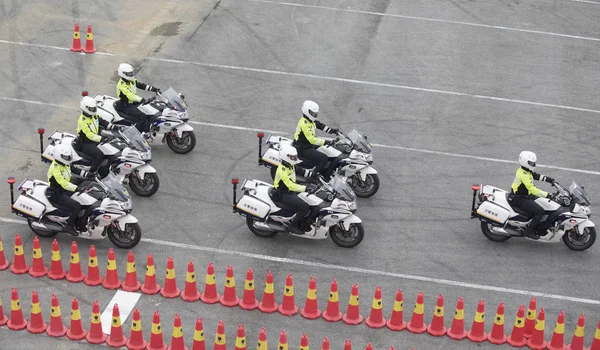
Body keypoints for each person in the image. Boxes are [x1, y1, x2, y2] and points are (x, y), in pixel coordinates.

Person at [273, 144, 318, 235]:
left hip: (290, 191)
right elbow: (290, 185)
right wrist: (306, 189)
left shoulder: (289, 165)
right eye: (293, 157)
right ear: (286, 157)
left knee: (311, 200)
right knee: (304, 206)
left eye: (295, 157)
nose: (295, 158)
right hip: (283, 194)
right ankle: (293, 225)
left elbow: (299, 170)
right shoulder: (282, 170)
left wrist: (313, 174)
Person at [510, 151, 555, 240]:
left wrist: (550, 180)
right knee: (540, 211)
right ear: (525, 162)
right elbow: (532, 189)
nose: (533, 164)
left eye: (534, 163)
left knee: (544, 204)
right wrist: (547, 195)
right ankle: (529, 231)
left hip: (526, 195)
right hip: (520, 198)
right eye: (531, 163)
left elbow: (536, 176)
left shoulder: (525, 170)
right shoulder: (524, 175)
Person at [292, 100, 339, 180]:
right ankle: (313, 176)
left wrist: (333, 131)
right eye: (313, 113)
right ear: (307, 112)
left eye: (315, 113)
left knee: (327, 151)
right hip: (302, 148)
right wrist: (327, 142)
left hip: (307, 145)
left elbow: (321, 125)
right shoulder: (304, 124)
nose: (315, 115)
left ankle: (325, 170)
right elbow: (312, 139)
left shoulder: (311, 121)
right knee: (323, 158)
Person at [47, 142, 86, 236]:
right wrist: (77, 188)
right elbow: (63, 184)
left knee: (83, 199)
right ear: (59, 156)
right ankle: (69, 226)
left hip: (63, 190)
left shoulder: (64, 163)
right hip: (56, 193)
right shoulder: (55, 168)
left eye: (68, 156)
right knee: (76, 205)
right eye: (66, 157)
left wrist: (88, 175)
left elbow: (74, 169)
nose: (68, 158)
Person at [75, 96, 116, 175]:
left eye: (94, 108)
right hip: (85, 142)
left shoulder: (93, 116)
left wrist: (114, 127)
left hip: (94, 140)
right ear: (85, 108)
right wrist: (102, 139)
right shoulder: (82, 121)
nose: (94, 110)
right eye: (92, 109)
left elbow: (102, 121)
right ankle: (92, 173)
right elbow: (89, 135)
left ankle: (106, 169)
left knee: (109, 150)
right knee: (99, 154)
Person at [114, 63, 160, 133]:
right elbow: (130, 95)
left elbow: (140, 85)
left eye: (131, 73)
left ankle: (147, 128)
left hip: (132, 103)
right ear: (123, 74)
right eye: (129, 74)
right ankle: (134, 133)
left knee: (149, 110)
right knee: (142, 116)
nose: (131, 75)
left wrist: (153, 89)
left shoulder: (131, 80)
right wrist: (141, 99)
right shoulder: (121, 85)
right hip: (125, 105)